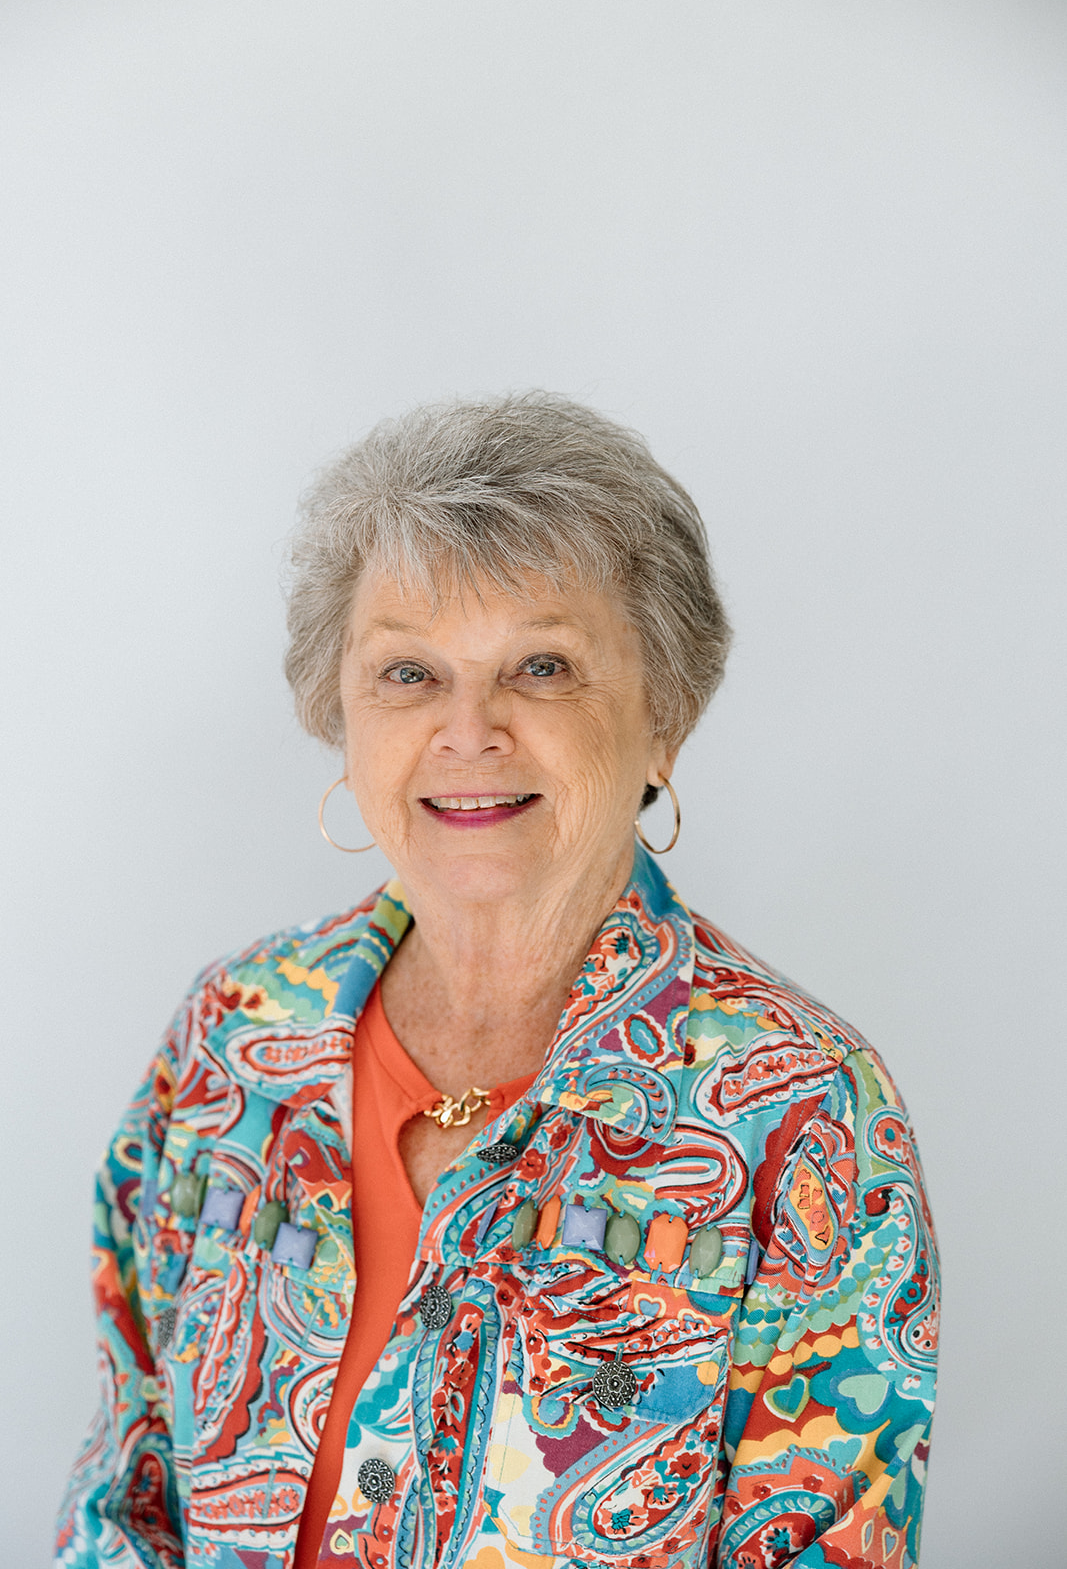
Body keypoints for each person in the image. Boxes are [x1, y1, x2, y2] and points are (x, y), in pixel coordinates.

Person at [56, 393, 939, 1569]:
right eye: (407, 673)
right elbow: (124, 1495)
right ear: (339, 715)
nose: (468, 730)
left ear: (663, 716)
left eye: (541, 665)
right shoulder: (231, 1036)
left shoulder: (799, 1105)